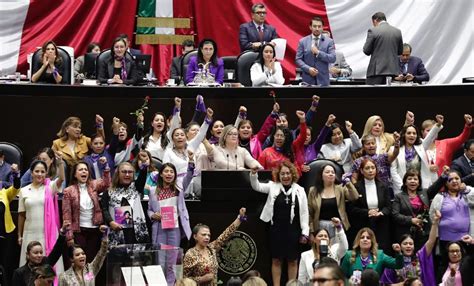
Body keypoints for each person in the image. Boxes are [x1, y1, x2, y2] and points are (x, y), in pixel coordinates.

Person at [250, 162, 309, 286]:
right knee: (276, 260)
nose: (285, 176)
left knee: (292, 261)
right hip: (276, 230)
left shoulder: (300, 190)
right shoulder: (273, 186)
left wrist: (305, 232)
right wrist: (253, 174)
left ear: (292, 174)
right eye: (282, 174)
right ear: (279, 175)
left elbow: (304, 213)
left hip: (294, 230)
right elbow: (257, 186)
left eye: (288, 173)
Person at [17, 159, 65, 273]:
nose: (40, 174)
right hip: (29, 232)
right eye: (37, 171)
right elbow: (21, 215)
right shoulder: (23, 191)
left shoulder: (50, 187)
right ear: (31, 172)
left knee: (48, 263)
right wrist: (19, 235)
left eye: (42, 172)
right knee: (29, 266)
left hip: (47, 233)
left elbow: (61, 179)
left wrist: (60, 163)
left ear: (46, 173)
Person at [148, 163, 192, 285]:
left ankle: (172, 284)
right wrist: (152, 215)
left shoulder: (179, 189)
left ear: (175, 175)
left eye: (171, 172)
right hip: (159, 228)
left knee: (173, 260)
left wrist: (191, 163)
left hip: (174, 228)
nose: (169, 174)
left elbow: (189, 176)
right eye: (166, 171)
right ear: (161, 174)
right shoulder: (152, 191)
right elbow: (149, 209)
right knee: (160, 260)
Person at [183, 208, 247, 285]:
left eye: (208, 235)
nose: (207, 237)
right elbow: (184, 280)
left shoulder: (211, 248)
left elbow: (226, 234)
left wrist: (240, 218)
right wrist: (201, 279)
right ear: (195, 236)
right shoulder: (190, 254)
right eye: (203, 234)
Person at [62, 161, 110, 262]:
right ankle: (81, 278)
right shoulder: (68, 191)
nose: (84, 171)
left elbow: (106, 184)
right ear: (75, 174)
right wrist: (69, 235)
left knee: (92, 261)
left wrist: (105, 167)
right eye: (80, 170)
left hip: (95, 230)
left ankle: (90, 278)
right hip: (79, 231)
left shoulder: (94, 185)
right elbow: (67, 214)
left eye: (86, 170)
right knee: (80, 261)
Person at [380, 210, 440, 285]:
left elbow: (431, 241)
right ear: (400, 247)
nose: (408, 246)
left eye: (411, 244)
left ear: (414, 246)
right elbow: (384, 284)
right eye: (405, 244)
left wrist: (434, 223)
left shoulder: (420, 257)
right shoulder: (393, 263)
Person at [348, 158, 392, 252]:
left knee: (381, 251)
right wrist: (367, 212)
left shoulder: (383, 186)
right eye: (367, 168)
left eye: (373, 167)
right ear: (361, 171)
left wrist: (381, 213)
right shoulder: (356, 187)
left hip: (381, 224)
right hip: (363, 224)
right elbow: (352, 208)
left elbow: (388, 206)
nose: (371, 170)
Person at [101, 162, 149, 246]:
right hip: (117, 231)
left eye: (130, 172)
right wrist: (111, 222)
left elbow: (142, 177)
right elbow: (104, 209)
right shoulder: (109, 191)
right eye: (124, 172)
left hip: (136, 233)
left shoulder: (137, 187)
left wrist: (144, 168)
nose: (127, 174)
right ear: (118, 173)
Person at [390, 117, 443, 194]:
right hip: (401, 189)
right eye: (409, 133)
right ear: (404, 135)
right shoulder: (393, 149)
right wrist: (403, 186)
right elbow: (393, 171)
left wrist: (438, 124)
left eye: (414, 133)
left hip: (420, 187)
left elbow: (430, 136)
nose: (412, 135)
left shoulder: (421, 147)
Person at [308, 163, 358, 239]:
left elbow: (355, 197)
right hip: (320, 228)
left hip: (338, 226)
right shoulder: (313, 191)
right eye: (327, 172)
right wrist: (311, 231)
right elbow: (309, 212)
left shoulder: (341, 188)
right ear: (321, 175)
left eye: (333, 172)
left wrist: (348, 183)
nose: (330, 174)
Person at [12, 222, 69, 286]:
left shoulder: (46, 263)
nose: (39, 255)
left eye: (41, 252)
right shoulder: (19, 273)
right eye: (36, 253)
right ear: (28, 255)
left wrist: (62, 233)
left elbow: (57, 251)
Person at [429, 169, 474, 249]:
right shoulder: (439, 197)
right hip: (445, 239)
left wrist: (466, 190)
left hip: (467, 239)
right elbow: (432, 215)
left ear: (461, 181)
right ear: (446, 183)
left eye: (457, 178)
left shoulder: (468, 192)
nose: (454, 181)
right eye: (450, 179)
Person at [297, 219, 348, 284]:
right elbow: (302, 277)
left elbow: (345, 246)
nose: (323, 238)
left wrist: (339, 227)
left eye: (326, 236)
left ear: (329, 240)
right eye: (320, 236)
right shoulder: (305, 255)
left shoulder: (335, 251)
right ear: (314, 239)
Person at [258, 111, 307, 176]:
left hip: (289, 183)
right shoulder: (266, 152)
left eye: (282, 136)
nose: (279, 138)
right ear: (273, 136)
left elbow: (303, 136)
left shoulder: (291, 148)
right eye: (277, 135)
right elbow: (259, 173)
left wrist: (302, 120)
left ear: (286, 138)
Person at [363, 12, 403, 85]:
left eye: (373, 23)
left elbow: (366, 51)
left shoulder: (373, 31)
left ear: (375, 20)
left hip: (376, 71)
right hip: (393, 71)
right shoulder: (397, 32)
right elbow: (400, 51)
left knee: (372, 95)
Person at [295, 16, 336, 87]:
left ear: (323, 27)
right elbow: (298, 59)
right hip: (307, 82)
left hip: (323, 82)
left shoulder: (329, 41)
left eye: (319, 26)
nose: (317, 29)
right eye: (314, 26)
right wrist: (308, 69)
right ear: (310, 27)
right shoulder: (303, 41)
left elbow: (332, 58)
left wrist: (318, 53)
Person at [0, 163, 19, 283]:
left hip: (7, 233)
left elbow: (16, 189)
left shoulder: (3, 193)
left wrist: (16, 174)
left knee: (6, 265)